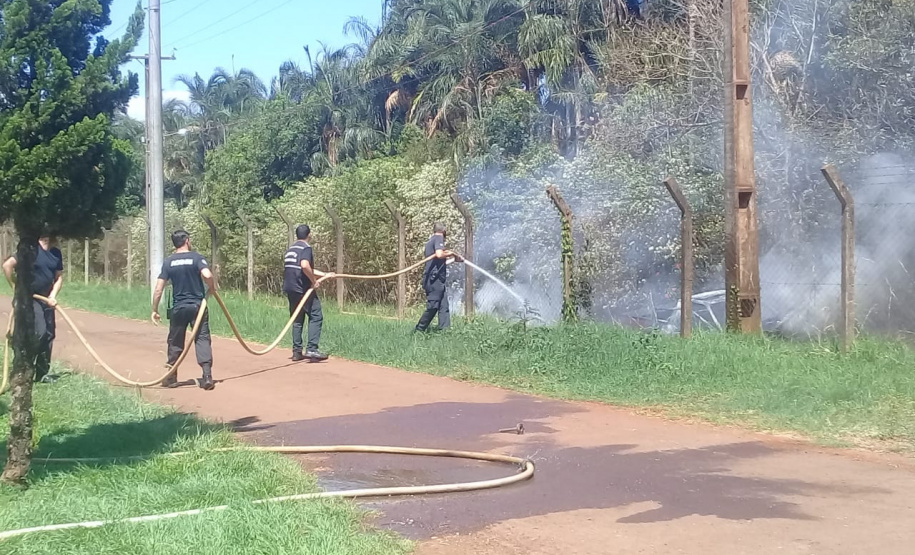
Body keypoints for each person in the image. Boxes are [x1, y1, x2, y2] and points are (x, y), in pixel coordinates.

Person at [151, 230, 217, 390]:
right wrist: (212, 288)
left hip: (178, 307)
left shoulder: (169, 262)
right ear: (187, 240)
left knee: (175, 341)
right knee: (202, 338)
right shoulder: (196, 258)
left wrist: (154, 309)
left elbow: (159, 288)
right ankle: (207, 376)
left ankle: (171, 377)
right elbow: (207, 274)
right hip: (197, 307)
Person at [2, 235, 64, 383]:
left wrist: (53, 295)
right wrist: (17, 288)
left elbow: (59, 277)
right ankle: (23, 365)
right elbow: (7, 265)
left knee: (49, 335)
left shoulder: (56, 253)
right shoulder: (31, 250)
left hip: (47, 300)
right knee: (40, 332)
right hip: (29, 299)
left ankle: (42, 374)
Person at [283, 224, 335, 362]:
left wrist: (325, 274)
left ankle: (297, 351)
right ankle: (312, 349)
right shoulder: (306, 248)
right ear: (309, 235)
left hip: (291, 288)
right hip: (303, 289)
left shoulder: (291, 249)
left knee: (297, 319)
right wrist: (313, 281)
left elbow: (304, 268)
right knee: (316, 315)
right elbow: (305, 266)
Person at [415, 222, 461, 333]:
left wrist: (455, 259)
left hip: (435, 279)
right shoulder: (438, 238)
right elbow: (440, 254)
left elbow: (438, 262)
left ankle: (445, 331)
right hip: (434, 281)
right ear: (444, 231)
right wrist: (451, 253)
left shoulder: (430, 242)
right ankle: (419, 330)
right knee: (433, 306)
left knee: (443, 306)